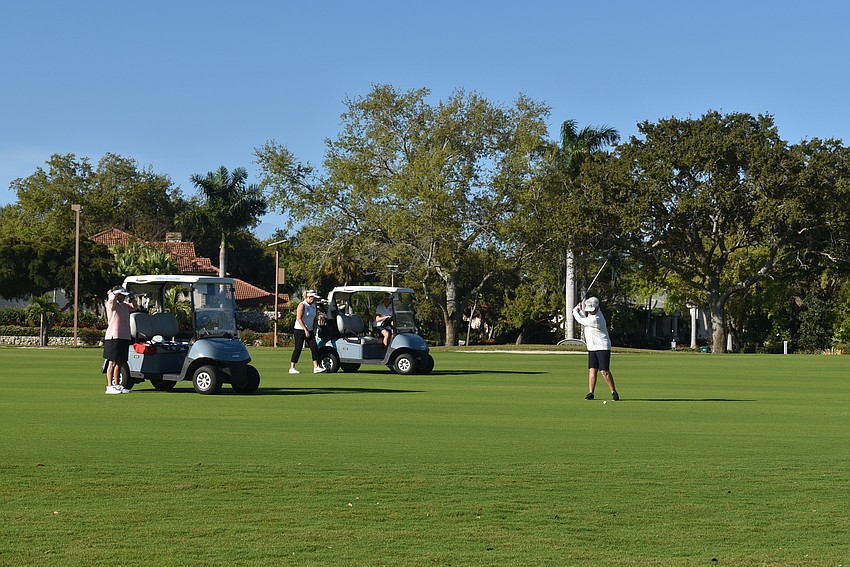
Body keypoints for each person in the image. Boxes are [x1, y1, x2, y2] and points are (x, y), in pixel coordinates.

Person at [572, 296, 619, 401]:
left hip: (603, 347)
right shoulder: (590, 316)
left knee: (604, 371)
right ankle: (591, 393)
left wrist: (575, 311)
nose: (591, 312)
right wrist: (579, 310)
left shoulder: (597, 319)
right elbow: (584, 319)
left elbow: (581, 321)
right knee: (592, 370)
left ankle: (613, 392)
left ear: (597, 308)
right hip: (592, 347)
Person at [103, 286, 137, 394]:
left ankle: (117, 385)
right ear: (117, 295)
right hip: (113, 337)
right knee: (112, 362)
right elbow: (111, 301)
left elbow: (135, 307)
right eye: (121, 295)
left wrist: (132, 297)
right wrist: (112, 293)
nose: (123, 297)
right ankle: (109, 386)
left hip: (124, 336)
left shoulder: (125, 306)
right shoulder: (111, 305)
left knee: (120, 363)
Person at [290, 290, 326, 374]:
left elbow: (314, 317)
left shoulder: (313, 305)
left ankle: (316, 367)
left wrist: (315, 326)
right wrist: (305, 329)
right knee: (298, 349)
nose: (315, 300)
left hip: (309, 330)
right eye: (314, 298)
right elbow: (299, 318)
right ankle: (292, 367)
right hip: (299, 330)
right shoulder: (302, 305)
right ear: (309, 297)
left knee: (314, 347)